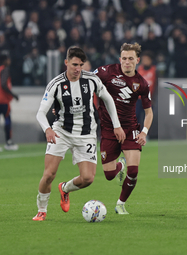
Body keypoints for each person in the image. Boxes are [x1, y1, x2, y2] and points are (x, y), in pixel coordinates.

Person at [33, 46, 125, 221]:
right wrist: (48, 129)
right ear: (66, 62)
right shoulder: (56, 84)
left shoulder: (91, 80)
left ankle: (65, 189)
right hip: (61, 131)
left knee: (88, 178)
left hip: (86, 133)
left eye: (81, 65)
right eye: (74, 64)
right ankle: (41, 210)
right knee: (49, 174)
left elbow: (108, 99)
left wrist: (117, 125)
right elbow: (40, 112)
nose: (77, 69)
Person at [94, 42, 153, 214]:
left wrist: (144, 132)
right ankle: (120, 165)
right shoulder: (105, 72)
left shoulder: (141, 83)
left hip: (130, 129)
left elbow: (149, 113)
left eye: (131, 59)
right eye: (124, 58)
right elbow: (85, 83)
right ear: (120, 59)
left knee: (133, 171)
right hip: (108, 129)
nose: (127, 62)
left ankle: (120, 204)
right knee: (109, 175)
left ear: (137, 60)